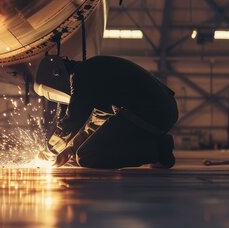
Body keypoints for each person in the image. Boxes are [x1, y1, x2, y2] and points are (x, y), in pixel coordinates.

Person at [34, 55, 178, 169]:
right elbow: (96, 121)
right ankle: (157, 144)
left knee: (87, 156)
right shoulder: (93, 71)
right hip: (160, 111)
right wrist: (70, 149)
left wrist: (49, 151)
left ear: (57, 75)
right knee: (82, 153)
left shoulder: (83, 76)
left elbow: (74, 121)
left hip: (152, 113)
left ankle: (157, 150)